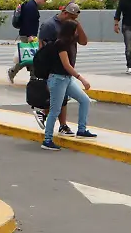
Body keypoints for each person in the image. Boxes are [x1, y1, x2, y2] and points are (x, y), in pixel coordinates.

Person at [36, 19, 97, 150]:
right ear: (71, 31)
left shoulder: (69, 42)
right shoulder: (61, 44)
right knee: (55, 110)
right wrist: (82, 79)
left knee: (85, 100)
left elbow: (84, 41)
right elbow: (66, 65)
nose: (77, 33)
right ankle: (47, 140)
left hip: (66, 79)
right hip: (58, 79)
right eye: (76, 30)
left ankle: (81, 130)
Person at [34, 2, 88, 134]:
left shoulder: (72, 27)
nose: (73, 20)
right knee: (58, 102)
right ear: (64, 13)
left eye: (75, 18)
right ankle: (50, 129)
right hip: (55, 70)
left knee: (63, 99)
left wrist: (78, 25)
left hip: (66, 70)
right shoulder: (50, 25)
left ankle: (57, 122)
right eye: (71, 17)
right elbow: (43, 49)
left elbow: (83, 42)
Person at [7, 0, 48, 83]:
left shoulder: (31, 5)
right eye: (44, 0)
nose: (44, 3)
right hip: (28, 35)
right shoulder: (31, 7)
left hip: (28, 34)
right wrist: (30, 35)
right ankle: (14, 72)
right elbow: (27, 22)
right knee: (29, 57)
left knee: (30, 57)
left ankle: (32, 76)